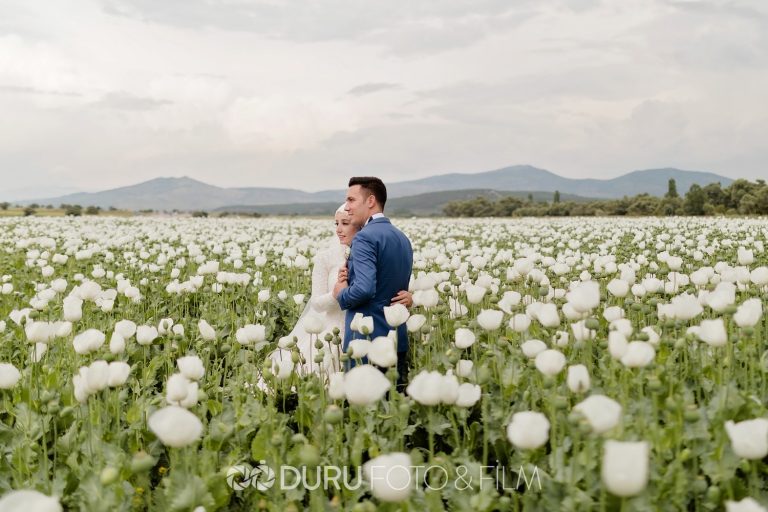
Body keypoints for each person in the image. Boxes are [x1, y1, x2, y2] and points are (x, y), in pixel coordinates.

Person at [259, 204, 411, 388]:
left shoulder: (373, 253)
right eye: (336, 223)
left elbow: (384, 285)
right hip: (331, 338)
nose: (339, 229)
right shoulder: (326, 258)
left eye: (345, 223)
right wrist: (336, 293)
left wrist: (411, 297)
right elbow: (316, 304)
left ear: (360, 224)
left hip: (366, 334)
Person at [333, 177, 414, 392]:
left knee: (364, 413)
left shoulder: (365, 238)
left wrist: (341, 293)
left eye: (351, 200)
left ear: (370, 201)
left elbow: (365, 289)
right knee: (394, 411)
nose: (347, 207)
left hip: (368, 341)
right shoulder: (401, 237)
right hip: (397, 339)